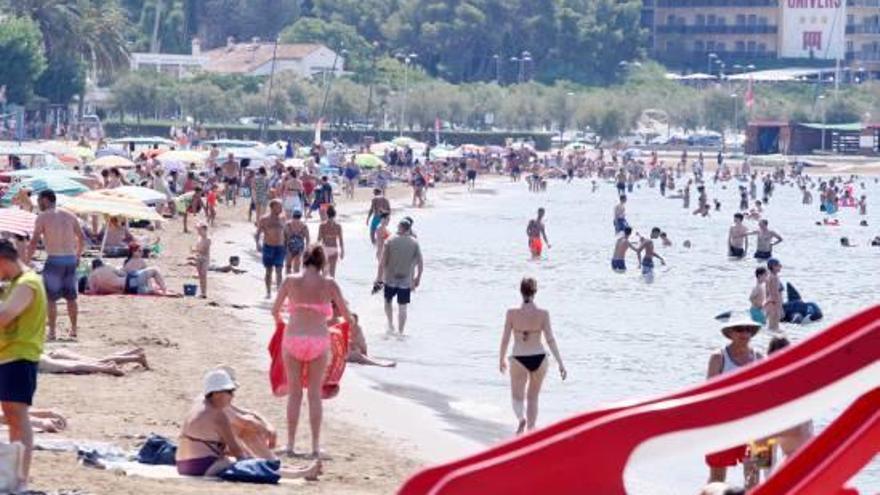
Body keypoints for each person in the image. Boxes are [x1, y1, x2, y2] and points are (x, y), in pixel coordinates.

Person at [271, 246, 353, 458]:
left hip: (293, 338)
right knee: (314, 394)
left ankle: (289, 445)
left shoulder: (290, 280)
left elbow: (275, 310)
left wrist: (282, 322)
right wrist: (338, 326)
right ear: (323, 262)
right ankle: (315, 448)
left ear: (304, 260)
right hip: (318, 339)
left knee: (295, 393)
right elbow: (346, 315)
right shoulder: (329, 284)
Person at [177, 368, 320, 479]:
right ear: (216, 393)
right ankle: (301, 474)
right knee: (254, 466)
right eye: (230, 391)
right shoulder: (218, 416)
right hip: (200, 467)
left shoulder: (200, 403)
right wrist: (255, 462)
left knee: (250, 460)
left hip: (183, 464)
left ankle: (297, 470)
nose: (233, 395)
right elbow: (237, 451)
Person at [0, 239, 48, 492]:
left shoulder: (27, 283)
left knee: (18, 415)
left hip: (20, 355)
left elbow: (5, 317)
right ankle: (13, 474)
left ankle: (21, 478)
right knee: (11, 414)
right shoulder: (17, 282)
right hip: (10, 356)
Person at [498, 278, 566, 435]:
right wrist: (561, 363)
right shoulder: (543, 314)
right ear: (535, 292)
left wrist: (501, 359)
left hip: (519, 358)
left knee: (517, 396)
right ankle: (531, 431)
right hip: (540, 358)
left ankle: (521, 418)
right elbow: (550, 339)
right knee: (533, 397)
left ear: (521, 292)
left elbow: (505, 339)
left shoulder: (512, 313)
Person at [704, 319, 762, 485]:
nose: (745, 333)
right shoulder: (718, 357)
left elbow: (766, 392)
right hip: (722, 425)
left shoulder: (759, 357)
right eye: (739, 329)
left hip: (755, 425)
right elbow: (708, 395)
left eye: (748, 329)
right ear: (729, 333)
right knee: (717, 478)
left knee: (753, 476)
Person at [28, 189, 85, 340]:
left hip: (54, 259)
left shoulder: (43, 217)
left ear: (45, 200)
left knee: (51, 298)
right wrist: (78, 255)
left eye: (39, 200)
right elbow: (82, 238)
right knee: (71, 298)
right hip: (70, 259)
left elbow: (34, 241)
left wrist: (27, 260)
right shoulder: (70, 215)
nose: (38, 204)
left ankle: (52, 332)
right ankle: (73, 330)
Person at [375, 218, 423, 335]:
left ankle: (390, 324)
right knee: (403, 307)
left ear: (400, 228)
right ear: (408, 229)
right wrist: (417, 278)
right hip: (405, 280)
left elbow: (382, 262)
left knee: (388, 302)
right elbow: (420, 263)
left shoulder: (390, 240)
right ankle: (401, 332)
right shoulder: (414, 242)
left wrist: (379, 278)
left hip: (390, 278)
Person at [39, 347, 148, 376]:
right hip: (49, 353)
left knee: (77, 366)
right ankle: (132, 355)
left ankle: (135, 357)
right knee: (95, 361)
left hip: (40, 358)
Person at [256, 200, 286, 298]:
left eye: (281, 206)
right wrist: (258, 244)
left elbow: (285, 232)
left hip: (280, 247)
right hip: (268, 246)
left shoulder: (282, 218)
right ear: (272, 207)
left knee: (279, 270)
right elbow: (258, 233)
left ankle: (278, 292)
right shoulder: (264, 219)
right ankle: (268, 292)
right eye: (279, 206)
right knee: (269, 271)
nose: (281, 208)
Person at [87, 259, 168, 295]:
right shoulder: (107, 267)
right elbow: (123, 274)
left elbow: (92, 291)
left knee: (146, 288)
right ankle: (164, 290)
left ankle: (151, 289)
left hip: (128, 290)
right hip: (129, 282)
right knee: (154, 270)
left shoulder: (91, 277)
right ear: (101, 264)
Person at [316, 206, 344, 278]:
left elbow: (319, 240)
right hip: (334, 249)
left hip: (325, 249)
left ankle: (323, 288)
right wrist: (342, 251)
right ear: (335, 215)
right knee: (332, 274)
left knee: (324, 273)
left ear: (327, 214)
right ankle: (331, 288)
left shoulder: (322, 226)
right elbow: (341, 240)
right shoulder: (338, 226)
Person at [284, 210, 310, 275]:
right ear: (300, 217)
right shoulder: (304, 226)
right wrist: (307, 249)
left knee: (288, 266)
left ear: (292, 216)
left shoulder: (288, 225)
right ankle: (296, 282)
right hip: (300, 247)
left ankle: (289, 281)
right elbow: (307, 238)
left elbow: (284, 237)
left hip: (289, 246)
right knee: (297, 267)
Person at [192, 224, 211, 298]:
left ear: (204, 230)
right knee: (200, 276)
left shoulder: (208, 239)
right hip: (199, 257)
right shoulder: (199, 238)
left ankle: (204, 293)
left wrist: (196, 250)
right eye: (198, 230)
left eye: (200, 230)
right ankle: (202, 292)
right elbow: (198, 248)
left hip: (205, 259)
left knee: (204, 275)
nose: (199, 231)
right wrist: (195, 250)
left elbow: (204, 250)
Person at [765, 259, 783, 332]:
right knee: (774, 327)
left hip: (771, 303)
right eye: (778, 265)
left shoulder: (770, 276)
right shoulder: (774, 277)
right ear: (773, 267)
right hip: (774, 303)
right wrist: (779, 307)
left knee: (772, 325)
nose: (780, 267)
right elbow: (774, 292)